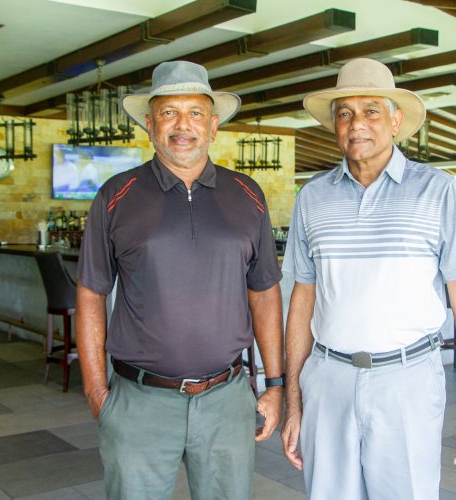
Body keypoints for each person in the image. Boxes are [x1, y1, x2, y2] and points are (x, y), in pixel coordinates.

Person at [280, 58, 456, 500]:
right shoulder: (312, 197)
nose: (356, 123)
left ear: (396, 122)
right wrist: (294, 403)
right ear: (335, 126)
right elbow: (302, 302)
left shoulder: (437, 190)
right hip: (328, 380)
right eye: (345, 113)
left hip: (407, 380)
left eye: (371, 110)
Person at [75, 61, 284, 500]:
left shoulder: (247, 194)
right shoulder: (115, 195)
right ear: (150, 126)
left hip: (227, 400)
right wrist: (96, 390)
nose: (182, 125)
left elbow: (264, 292)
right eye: (169, 113)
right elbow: (91, 293)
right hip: (140, 402)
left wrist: (275, 384)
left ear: (213, 126)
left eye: (195, 113)